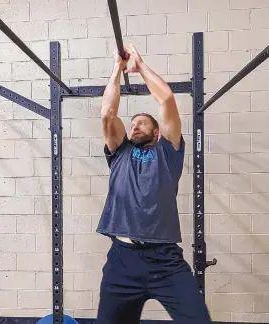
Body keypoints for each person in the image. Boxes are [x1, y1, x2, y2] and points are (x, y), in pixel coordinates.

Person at [95, 44, 211, 324]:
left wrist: (139, 66)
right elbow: (108, 113)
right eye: (132, 123)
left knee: (198, 320)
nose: (134, 126)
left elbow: (167, 100)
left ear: (157, 131)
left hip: (165, 260)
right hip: (122, 260)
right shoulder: (119, 152)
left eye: (142, 123)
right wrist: (117, 68)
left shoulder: (168, 151)